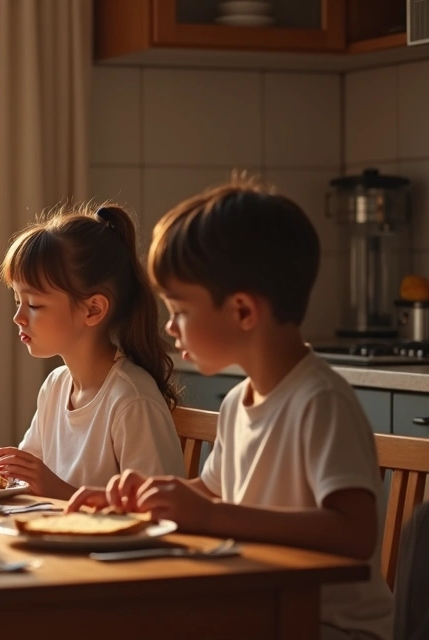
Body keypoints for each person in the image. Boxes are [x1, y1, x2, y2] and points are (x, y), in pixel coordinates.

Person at [68, 177, 394, 640]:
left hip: (328, 625)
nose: (171, 328)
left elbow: (354, 532)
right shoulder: (241, 402)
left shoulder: (319, 401)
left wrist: (211, 519)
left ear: (243, 311)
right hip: (266, 609)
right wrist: (141, 502)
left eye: (179, 310)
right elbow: (214, 491)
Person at [0, 203, 185, 498]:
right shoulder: (56, 385)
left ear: (93, 309)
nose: (18, 317)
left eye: (34, 305)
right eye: (17, 301)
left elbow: (159, 510)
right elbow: (22, 482)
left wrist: (58, 490)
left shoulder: (131, 400)